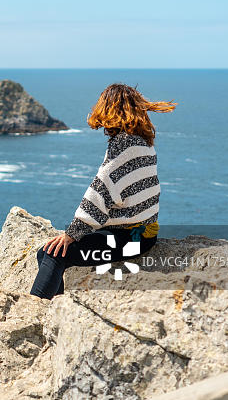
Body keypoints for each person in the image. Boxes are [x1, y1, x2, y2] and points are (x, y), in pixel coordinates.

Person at [30, 83, 177, 299]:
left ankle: (38, 312)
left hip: (129, 239)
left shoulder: (122, 147)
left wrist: (72, 234)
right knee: (49, 252)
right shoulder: (145, 143)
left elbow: (100, 193)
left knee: (52, 254)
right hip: (144, 234)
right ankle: (55, 308)